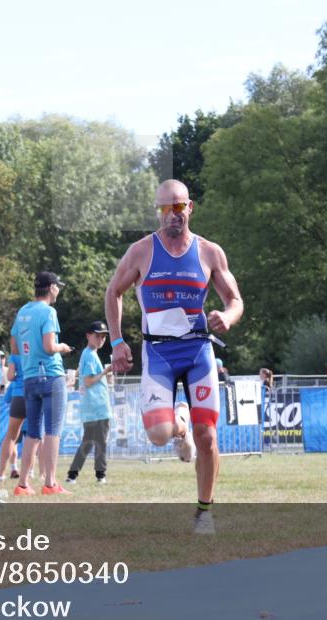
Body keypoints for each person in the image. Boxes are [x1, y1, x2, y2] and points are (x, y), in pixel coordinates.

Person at [105, 179, 243, 535]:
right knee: (158, 433)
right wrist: (118, 341)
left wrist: (227, 317)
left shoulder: (210, 252)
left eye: (178, 207)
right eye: (165, 208)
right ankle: (179, 422)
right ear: (158, 212)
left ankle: (204, 513)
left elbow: (235, 299)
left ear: (190, 208)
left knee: (208, 437)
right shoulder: (141, 252)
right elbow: (113, 292)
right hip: (158, 353)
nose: (172, 215)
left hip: (198, 351)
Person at [10, 271, 73, 496]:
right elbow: (49, 346)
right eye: (58, 286)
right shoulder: (48, 311)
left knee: (33, 434)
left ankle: (23, 484)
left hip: (29, 378)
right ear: (52, 287)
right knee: (53, 431)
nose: (59, 290)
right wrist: (62, 347)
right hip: (51, 375)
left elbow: (15, 346)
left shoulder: (23, 311)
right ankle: (50, 483)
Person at [66, 321, 113, 485]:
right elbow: (89, 381)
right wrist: (106, 371)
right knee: (100, 442)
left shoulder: (89, 354)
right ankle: (100, 475)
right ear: (88, 335)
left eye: (103, 337)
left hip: (93, 406)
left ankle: (72, 474)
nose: (101, 339)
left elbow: (86, 379)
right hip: (97, 407)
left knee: (88, 443)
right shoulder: (89, 354)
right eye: (97, 336)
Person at [0, 352, 25, 481]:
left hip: (18, 402)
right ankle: (19, 471)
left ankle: (3, 472)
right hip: (35, 397)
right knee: (32, 439)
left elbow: (7, 399)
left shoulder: (15, 358)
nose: (2, 360)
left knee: (11, 439)